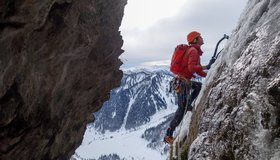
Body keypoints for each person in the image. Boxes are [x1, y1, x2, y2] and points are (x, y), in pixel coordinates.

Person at [164, 31, 215, 144]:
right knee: (181, 109)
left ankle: (188, 104)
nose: (202, 37)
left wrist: (210, 72)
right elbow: (192, 69)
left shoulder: (192, 51)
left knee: (198, 87)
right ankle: (168, 134)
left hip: (182, 82)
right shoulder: (193, 51)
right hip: (182, 83)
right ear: (196, 40)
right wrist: (207, 66)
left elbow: (197, 70)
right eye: (199, 36)